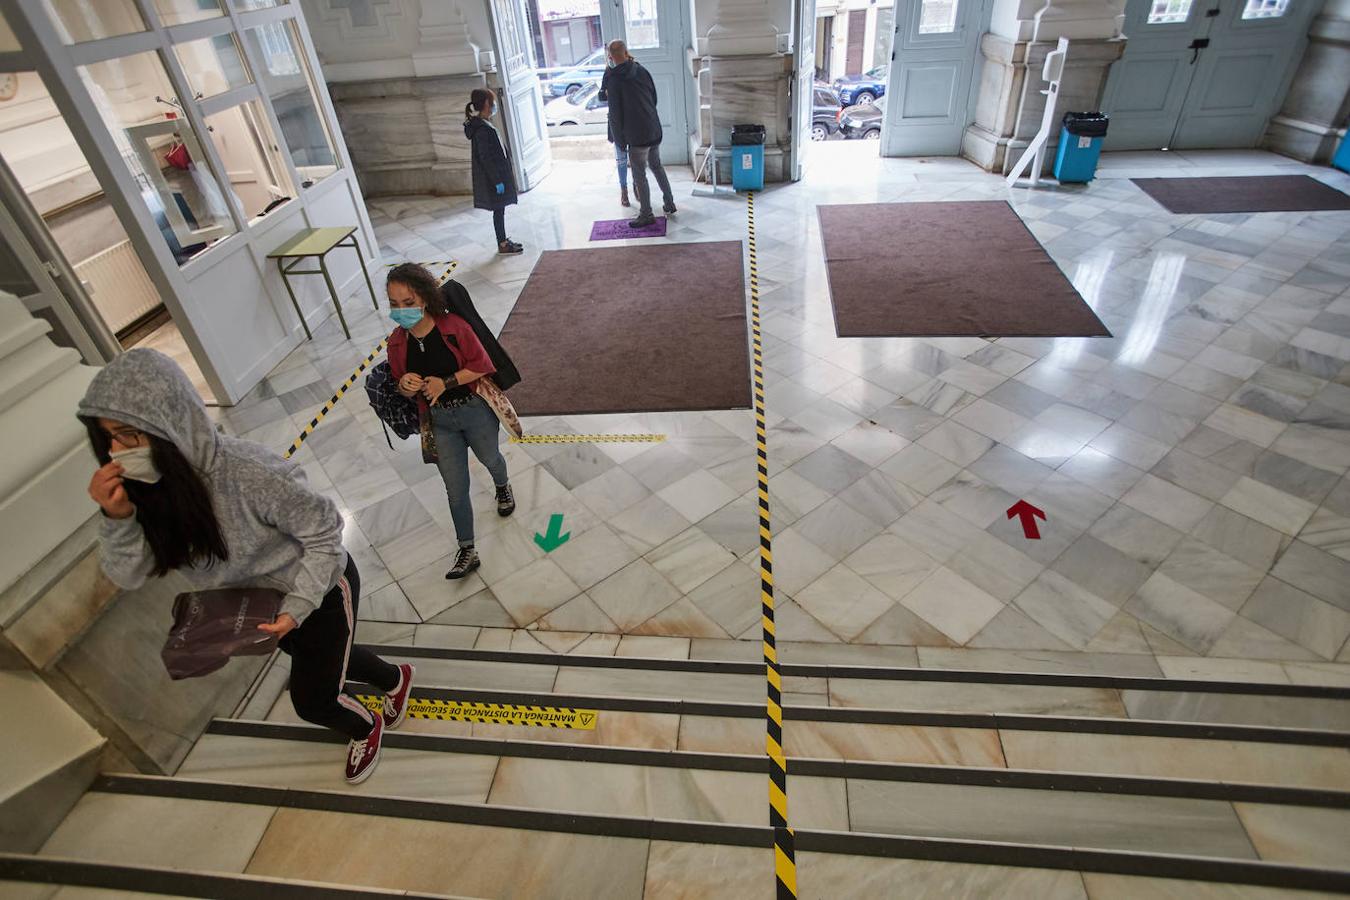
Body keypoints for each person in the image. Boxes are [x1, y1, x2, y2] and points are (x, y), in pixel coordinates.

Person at [79, 349, 412, 786]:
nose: (115, 453)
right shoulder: (147, 489)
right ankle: (394, 678)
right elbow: (129, 575)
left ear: (172, 424)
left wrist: (297, 607)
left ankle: (366, 728)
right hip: (260, 609)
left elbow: (325, 534)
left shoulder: (248, 471)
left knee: (312, 700)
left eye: (127, 435)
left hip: (320, 591)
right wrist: (118, 519)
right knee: (327, 660)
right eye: (107, 438)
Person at [385, 262, 517, 580]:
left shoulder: (454, 327)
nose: (401, 311)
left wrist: (445, 382)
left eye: (408, 303)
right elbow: (399, 380)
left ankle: (503, 485)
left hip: (474, 410)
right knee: (455, 488)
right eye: (394, 304)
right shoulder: (396, 343)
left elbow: (482, 365)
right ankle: (467, 549)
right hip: (438, 421)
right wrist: (405, 385)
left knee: (490, 458)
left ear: (425, 299)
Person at [602, 39, 676, 228]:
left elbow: (616, 115)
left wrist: (619, 140)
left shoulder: (613, 79)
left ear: (610, 56)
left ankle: (646, 214)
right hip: (653, 128)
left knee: (639, 174)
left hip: (636, 135)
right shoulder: (641, 70)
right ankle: (669, 202)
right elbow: (654, 98)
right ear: (626, 52)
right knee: (657, 166)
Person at [464, 88, 523, 255]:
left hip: (497, 175)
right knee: (498, 211)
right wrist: (497, 180)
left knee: (500, 210)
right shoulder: (481, 129)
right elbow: (485, 158)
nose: (494, 105)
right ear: (486, 104)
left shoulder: (484, 124)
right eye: (492, 102)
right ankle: (502, 243)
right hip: (494, 178)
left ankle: (503, 240)